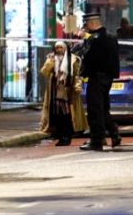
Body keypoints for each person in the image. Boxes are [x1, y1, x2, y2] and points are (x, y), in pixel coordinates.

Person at [79, 12, 122, 151]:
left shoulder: (95, 39)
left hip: (96, 77)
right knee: (103, 109)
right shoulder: (111, 37)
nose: (85, 28)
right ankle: (114, 133)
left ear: (91, 23)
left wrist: (82, 72)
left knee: (95, 110)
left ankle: (97, 140)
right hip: (107, 78)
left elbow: (88, 58)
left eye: (86, 25)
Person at [40, 41, 87, 146]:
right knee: (57, 115)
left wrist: (77, 88)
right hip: (54, 93)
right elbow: (44, 72)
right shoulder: (52, 59)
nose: (59, 50)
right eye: (57, 48)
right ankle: (60, 135)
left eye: (61, 48)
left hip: (68, 92)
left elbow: (77, 75)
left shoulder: (73, 60)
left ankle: (67, 136)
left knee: (67, 115)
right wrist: (50, 61)